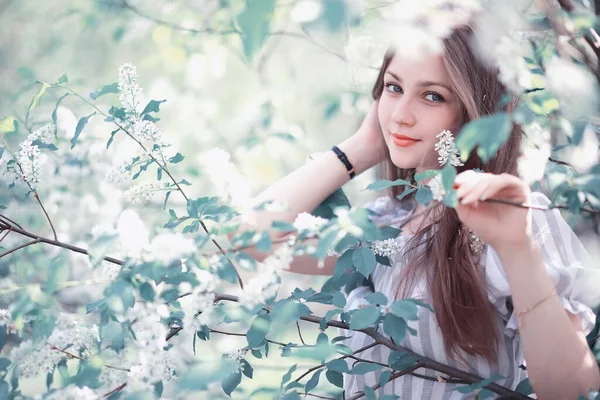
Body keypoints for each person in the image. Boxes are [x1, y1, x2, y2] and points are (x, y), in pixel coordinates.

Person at [230, 24, 600, 399]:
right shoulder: (382, 225)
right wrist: (357, 149)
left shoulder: (516, 216)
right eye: (393, 88)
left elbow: (574, 390)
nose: (400, 115)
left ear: (477, 111)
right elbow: (246, 241)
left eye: (433, 96)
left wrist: (518, 247)